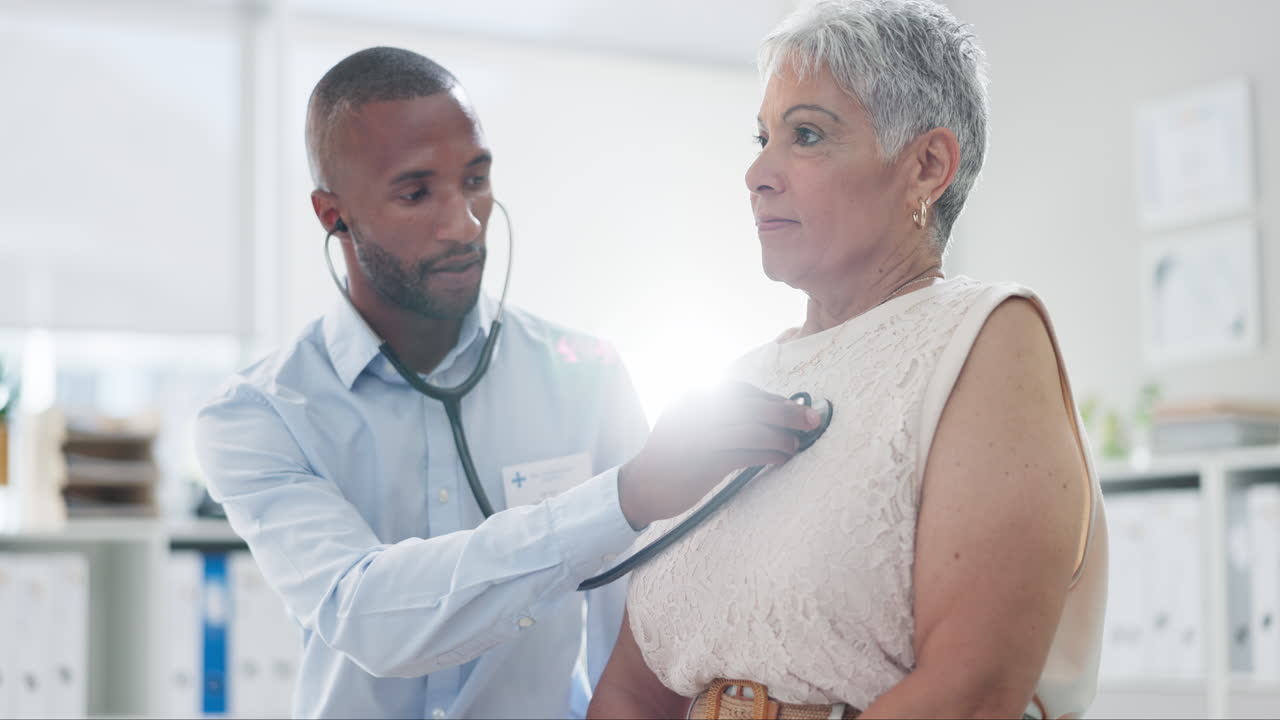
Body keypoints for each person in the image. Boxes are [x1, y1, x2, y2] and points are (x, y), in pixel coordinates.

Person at [194, 47, 821, 719]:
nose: (464, 224)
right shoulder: (257, 416)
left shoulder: (585, 377)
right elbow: (367, 614)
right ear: (332, 214)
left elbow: (641, 636)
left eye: (476, 180)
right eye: (415, 193)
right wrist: (623, 497)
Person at [588, 1, 1108, 718]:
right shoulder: (735, 380)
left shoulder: (986, 337)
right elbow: (629, 692)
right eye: (762, 136)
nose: (757, 172)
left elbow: (969, 694)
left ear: (927, 166)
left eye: (805, 135)